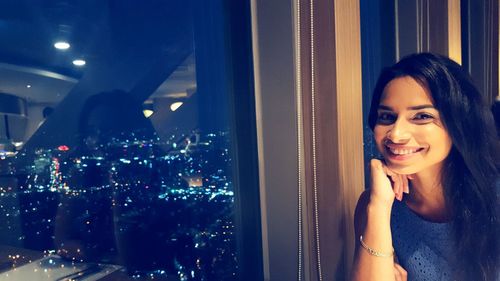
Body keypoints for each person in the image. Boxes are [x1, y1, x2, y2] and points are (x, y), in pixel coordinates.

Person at [351, 53, 499, 281]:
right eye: (387, 116)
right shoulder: (375, 207)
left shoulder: (494, 198)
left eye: (421, 116)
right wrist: (380, 207)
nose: (396, 134)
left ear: (458, 125)